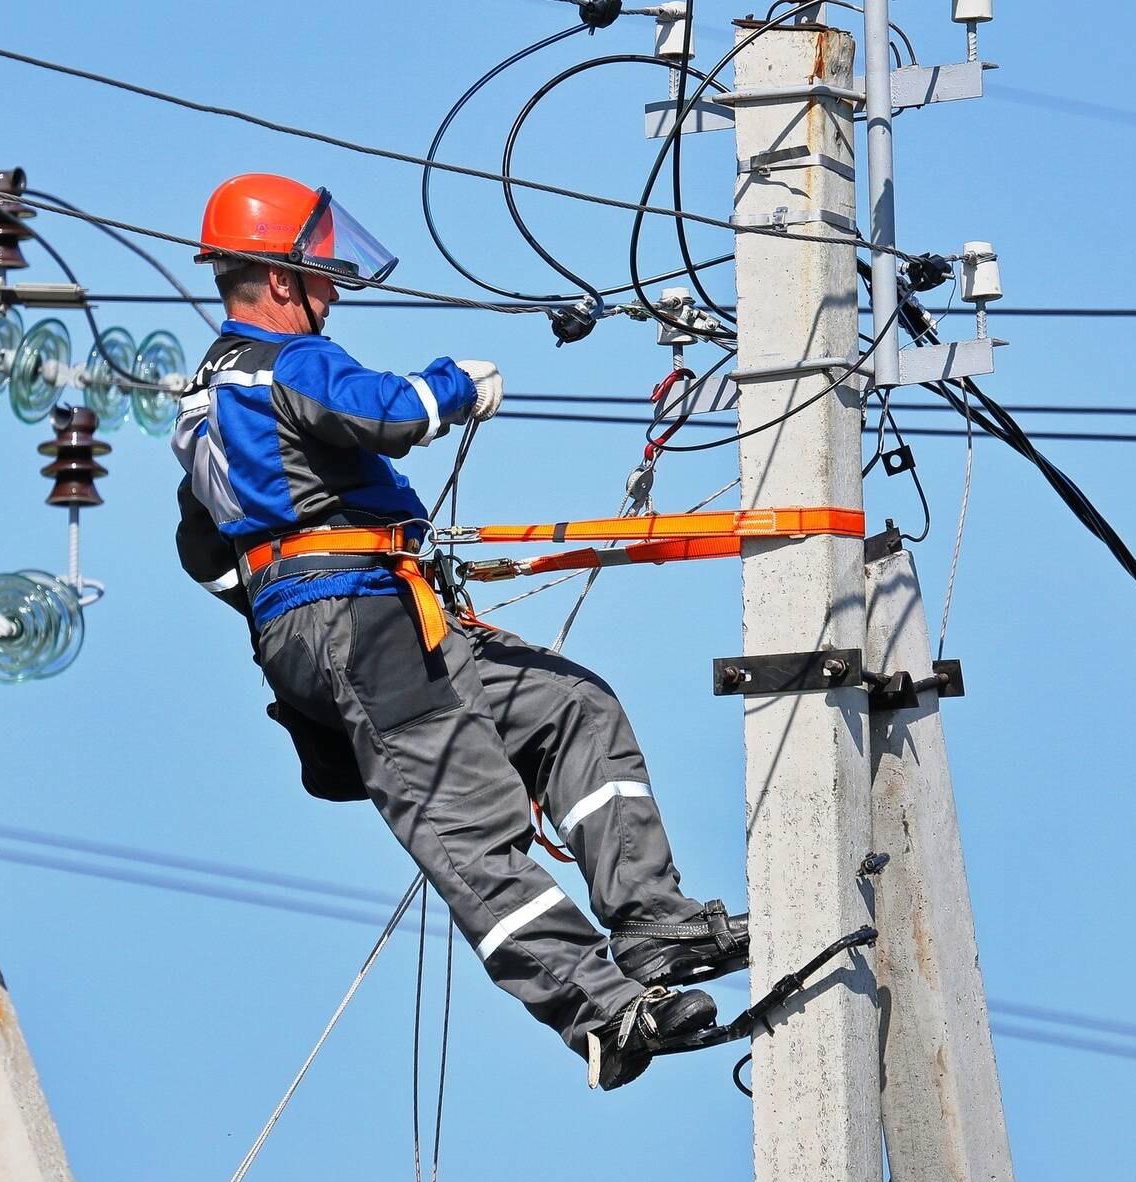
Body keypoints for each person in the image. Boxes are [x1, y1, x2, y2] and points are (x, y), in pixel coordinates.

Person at [171, 173, 748, 1089]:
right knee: (471, 824)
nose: (330, 296)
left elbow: (202, 553)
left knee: (570, 706)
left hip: (369, 620)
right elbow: (384, 410)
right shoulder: (286, 363)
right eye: (320, 277)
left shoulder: (207, 401)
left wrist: (291, 612)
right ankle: (602, 1012)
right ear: (280, 278)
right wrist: (454, 386)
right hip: (366, 626)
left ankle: (651, 921)